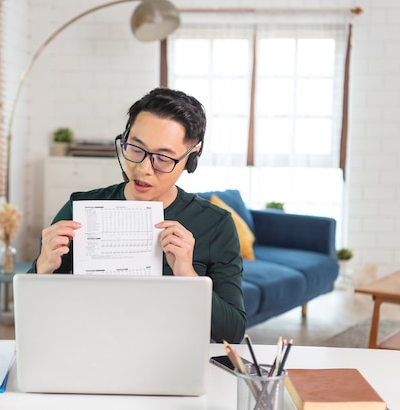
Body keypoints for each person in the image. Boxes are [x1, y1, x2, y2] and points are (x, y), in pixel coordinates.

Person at [28, 87, 246, 343]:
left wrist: (188, 275)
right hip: (88, 350)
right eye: (135, 148)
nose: (143, 169)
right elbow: (33, 318)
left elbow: (232, 333)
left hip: (170, 362)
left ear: (191, 158)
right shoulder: (80, 208)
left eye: (163, 158)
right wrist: (42, 269)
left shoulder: (215, 224)